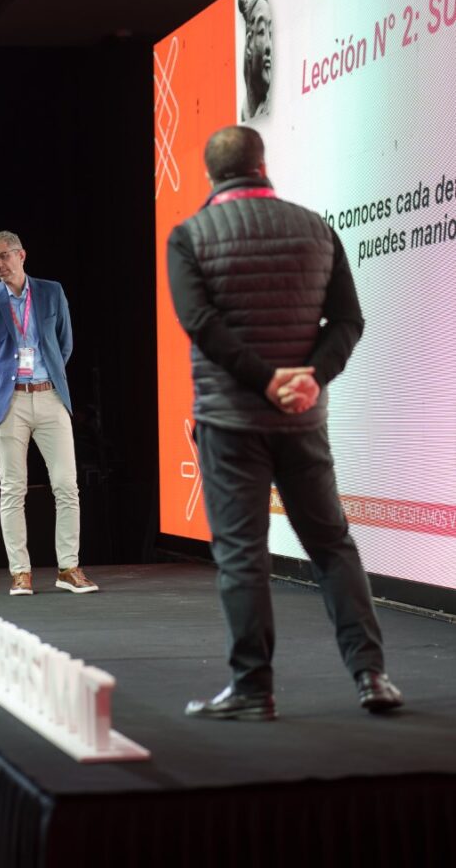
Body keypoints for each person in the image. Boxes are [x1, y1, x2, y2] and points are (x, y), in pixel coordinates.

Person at [167, 125, 402, 721]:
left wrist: (263, 380)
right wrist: (311, 378)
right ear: (262, 165)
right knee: (332, 547)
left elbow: (201, 324)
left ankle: (253, 689)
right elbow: (348, 321)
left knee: (242, 554)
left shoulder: (190, 235)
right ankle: (372, 675)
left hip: (230, 423)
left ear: (211, 175)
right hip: (302, 422)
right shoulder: (317, 228)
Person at [0, 230, 98, 596]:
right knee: (12, 489)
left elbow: (64, 343)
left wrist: (49, 376)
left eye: (4, 255)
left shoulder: (52, 291)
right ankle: (20, 572)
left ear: (21, 255)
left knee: (66, 485)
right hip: (8, 402)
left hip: (50, 396)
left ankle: (68, 568)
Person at [238, 0, 273, 121]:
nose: (269, 46)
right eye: (261, 31)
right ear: (248, 44)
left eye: (270, 34)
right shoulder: (244, 112)